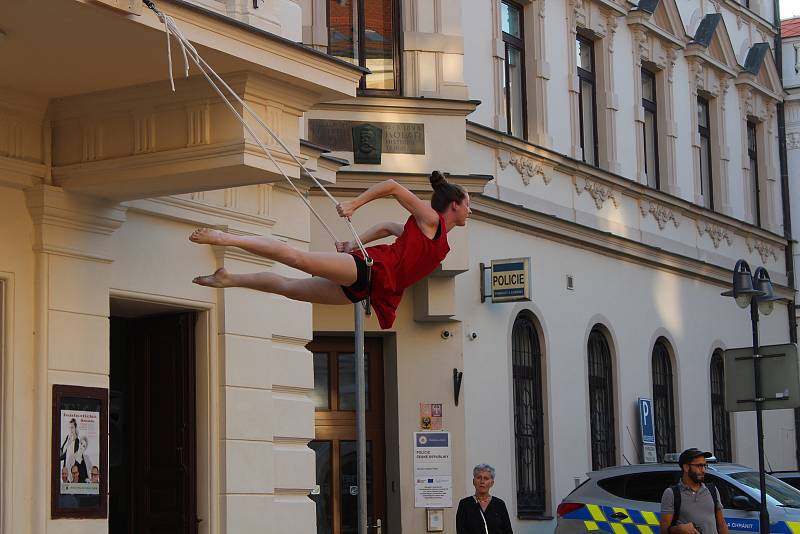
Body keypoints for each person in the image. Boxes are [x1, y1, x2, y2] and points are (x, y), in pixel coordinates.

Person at [190, 171, 470, 329]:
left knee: (288, 288)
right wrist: (353, 206)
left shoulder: (437, 238)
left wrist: (352, 242)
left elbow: (388, 227)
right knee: (297, 258)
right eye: (467, 204)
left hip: (366, 287)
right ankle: (227, 238)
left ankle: (229, 279)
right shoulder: (431, 220)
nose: (469, 210)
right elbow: (392, 187)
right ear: (454, 204)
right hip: (367, 270)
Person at [660, 448, 729, 534]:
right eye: (699, 466)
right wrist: (678, 529)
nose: (703, 470)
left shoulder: (712, 490)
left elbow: (721, 524)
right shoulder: (671, 493)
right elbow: (664, 530)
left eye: (704, 465)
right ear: (686, 467)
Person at [456, 464, 513, 534]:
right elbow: (461, 531)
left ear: (492, 483)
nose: (482, 481)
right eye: (479, 477)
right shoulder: (464, 504)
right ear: (473, 481)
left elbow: (508, 531)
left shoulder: (500, 504)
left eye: (486, 478)